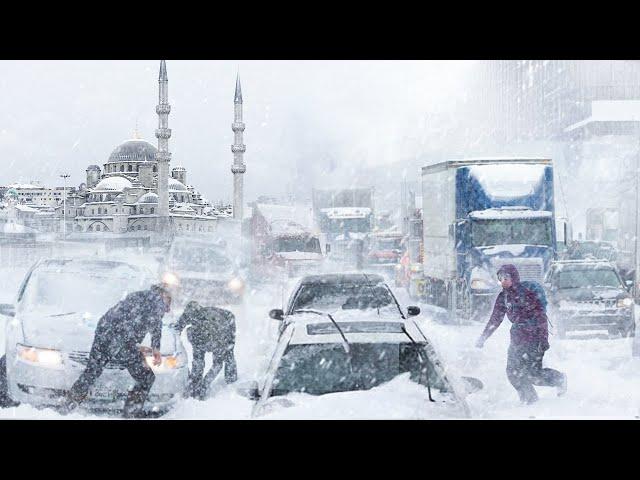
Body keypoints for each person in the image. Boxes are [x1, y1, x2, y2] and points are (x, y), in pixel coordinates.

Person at [60, 274, 178, 417]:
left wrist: (152, 347)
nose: (167, 308)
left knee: (90, 374)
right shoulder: (157, 301)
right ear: (164, 294)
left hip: (103, 334)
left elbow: (121, 320)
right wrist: (138, 347)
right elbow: (154, 323)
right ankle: (130, 414)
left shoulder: (137, 296)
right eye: (168, 301)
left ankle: (66, 408)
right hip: (121, 341)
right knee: (147, 377)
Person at [475, 264, 567, 404]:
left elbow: (541, 316)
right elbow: (495, 319)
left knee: (533, 373)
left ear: (514, 278)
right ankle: (530, 400)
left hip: (534, 338)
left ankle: (559, 379)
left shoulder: (527, 292)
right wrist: (483, 337)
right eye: (501, 278)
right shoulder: (503, 297)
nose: (503, 281)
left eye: (506, 277)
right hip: (517, 339)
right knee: (513, 372)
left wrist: (543, 340)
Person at [173, 301, 238, 400]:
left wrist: (204, 384)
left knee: (229, 354)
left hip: (227, 321)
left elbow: (217, 365)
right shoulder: (195, 333)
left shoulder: (218, 338)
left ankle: (231, 380)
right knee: (198, 362)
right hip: (206, 328)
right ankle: (195, 386)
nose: (196, 347)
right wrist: (193, 385)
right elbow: (197, 364)